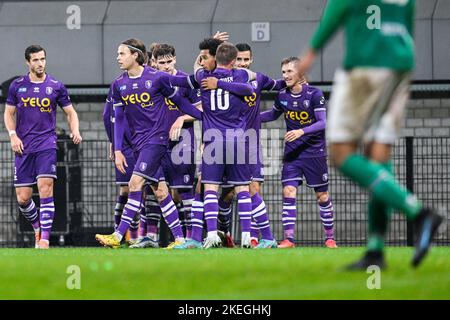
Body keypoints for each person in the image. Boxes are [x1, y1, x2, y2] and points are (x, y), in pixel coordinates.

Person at [297, 0, 442, 268]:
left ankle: (418, 212)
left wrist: (311, 52)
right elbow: (407, 21)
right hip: (401, 63)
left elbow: (338, 8)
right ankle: (376, 249)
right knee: (377, 157)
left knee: (341, 153)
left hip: (366, 65)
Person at [95, 38, 202, 249]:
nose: (118, 58)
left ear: (135, 55)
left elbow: (183, 96)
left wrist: (204, 115)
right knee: (161, 191)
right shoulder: (119, 84)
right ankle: (180, 239)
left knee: (135, 184)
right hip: (137, 144)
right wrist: (117, 149)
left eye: (122, 53)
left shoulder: (157, 77)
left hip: (156, 141)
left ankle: (117, 236)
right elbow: (119, 119)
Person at [169, 42, 257, 248]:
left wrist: (169, 92)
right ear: (235, 61)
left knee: (209, 188)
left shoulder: (202, 78)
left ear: (215, 59)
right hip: (237, 140)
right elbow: (248, 89)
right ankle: (246, 235)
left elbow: (184, 78)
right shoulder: (240, 76)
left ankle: (211, 235)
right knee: (242, 188)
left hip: (212, 140)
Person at [4, 44, 82, 249]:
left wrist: (75, 130)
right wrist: (13, 136)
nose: (40, 63)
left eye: (42, 59)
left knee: (45, 188)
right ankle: (37, 227)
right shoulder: (17, 86)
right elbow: (8, 114)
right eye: (36, 60)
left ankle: (45, 239)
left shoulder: (56, 86)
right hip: (23, 147)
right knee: (23, 198)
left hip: (47, 144)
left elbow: (71, 112)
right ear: (28, 62)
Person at [261, 57, 337, 249]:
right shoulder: (282, 95)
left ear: (300, 73)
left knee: (322, 196)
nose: (285, 75)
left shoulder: (314, 94)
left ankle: (330, 238)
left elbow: (322, 123)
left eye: (289, 71)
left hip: (314, 152)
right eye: (283, 72)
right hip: (293, 154)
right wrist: (250, 118)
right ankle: (289, 239)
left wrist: (301, 131)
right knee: (288, 191)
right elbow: (272, 114)